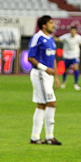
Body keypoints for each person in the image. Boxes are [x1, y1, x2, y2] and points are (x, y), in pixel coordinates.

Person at [27, 15, 61, 145]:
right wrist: (45, 68)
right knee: (52, 102)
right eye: (51, 23)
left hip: (48, 75)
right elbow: (30, 57)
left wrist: (56, 76)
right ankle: (49, 136)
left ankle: (35, 136)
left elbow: (53, 59)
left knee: (41, 105)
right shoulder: (37, 37)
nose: (53, 25)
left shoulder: (51, 39)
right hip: (40, 74)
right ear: (44, 25)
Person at [55, 26, 81, 90]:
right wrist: (52, 37)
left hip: (75, 56)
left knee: (76, 68)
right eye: (71, 31)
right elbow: (58, 39)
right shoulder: (66, 37)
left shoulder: (79, 38)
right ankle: (64, 81)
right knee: (66, 70)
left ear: (76, 31)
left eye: (74, 31)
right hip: (67, 56)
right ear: (70, 31)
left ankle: (76, 83)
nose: (73, 32)